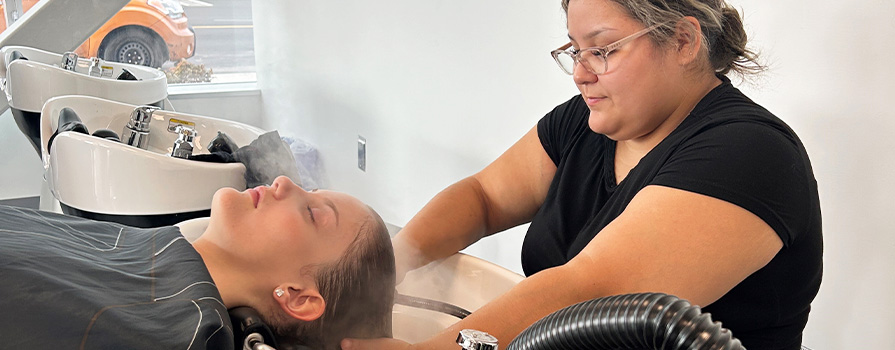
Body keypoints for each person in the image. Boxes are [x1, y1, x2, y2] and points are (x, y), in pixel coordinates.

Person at [343, 1, 822, 350]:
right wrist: (385, 267)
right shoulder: (584, 121)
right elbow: (485, 197)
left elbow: (593, 293)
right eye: (574, 51)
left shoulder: (748, 154)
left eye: (602, 50)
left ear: (683, 41)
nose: (580, 74)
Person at [0, 176, 395, 350]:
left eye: (313, 212)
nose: (285, 182)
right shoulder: (161, 252)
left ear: (298, 297)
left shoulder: (178, 336)